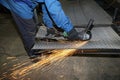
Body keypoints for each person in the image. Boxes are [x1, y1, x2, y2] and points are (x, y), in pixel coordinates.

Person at [0, 0, 91, 58]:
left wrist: (49, 26)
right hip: (16, 2)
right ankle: (32, 52)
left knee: (34, 19)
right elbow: (54, 9)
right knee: (29, 28)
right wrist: (70, 31)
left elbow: (46, 6)